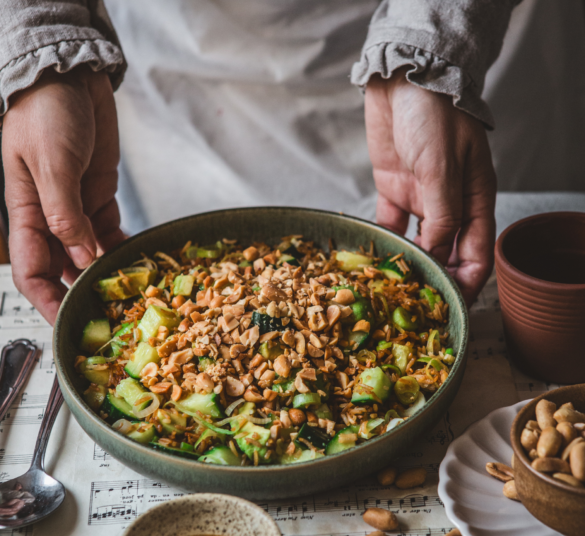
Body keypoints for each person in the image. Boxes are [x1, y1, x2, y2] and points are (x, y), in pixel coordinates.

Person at [0, 0, 580, 324]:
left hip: (453, 45)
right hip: (188, 59)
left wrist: (432, 49)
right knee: (175, 284)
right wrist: (43, 44)